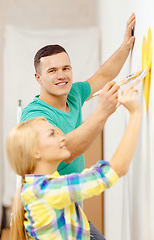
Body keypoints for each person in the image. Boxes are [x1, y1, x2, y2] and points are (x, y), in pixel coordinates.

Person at [7, 84, 142, 240]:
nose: (63, 137)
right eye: (52, 134)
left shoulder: (38, 187)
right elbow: (115, 170)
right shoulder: (48, 190)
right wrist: (135, 112)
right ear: (35, 152)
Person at [21, 13, 136, 176]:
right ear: (38, 78)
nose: (61, 76)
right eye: (52, 71)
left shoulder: (73, 93)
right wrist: (103, 111)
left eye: (66, 68)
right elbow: (66, 150)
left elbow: (103, 76)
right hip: (52, 196)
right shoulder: (34, 115)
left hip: (74, 193)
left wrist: (126, 46)